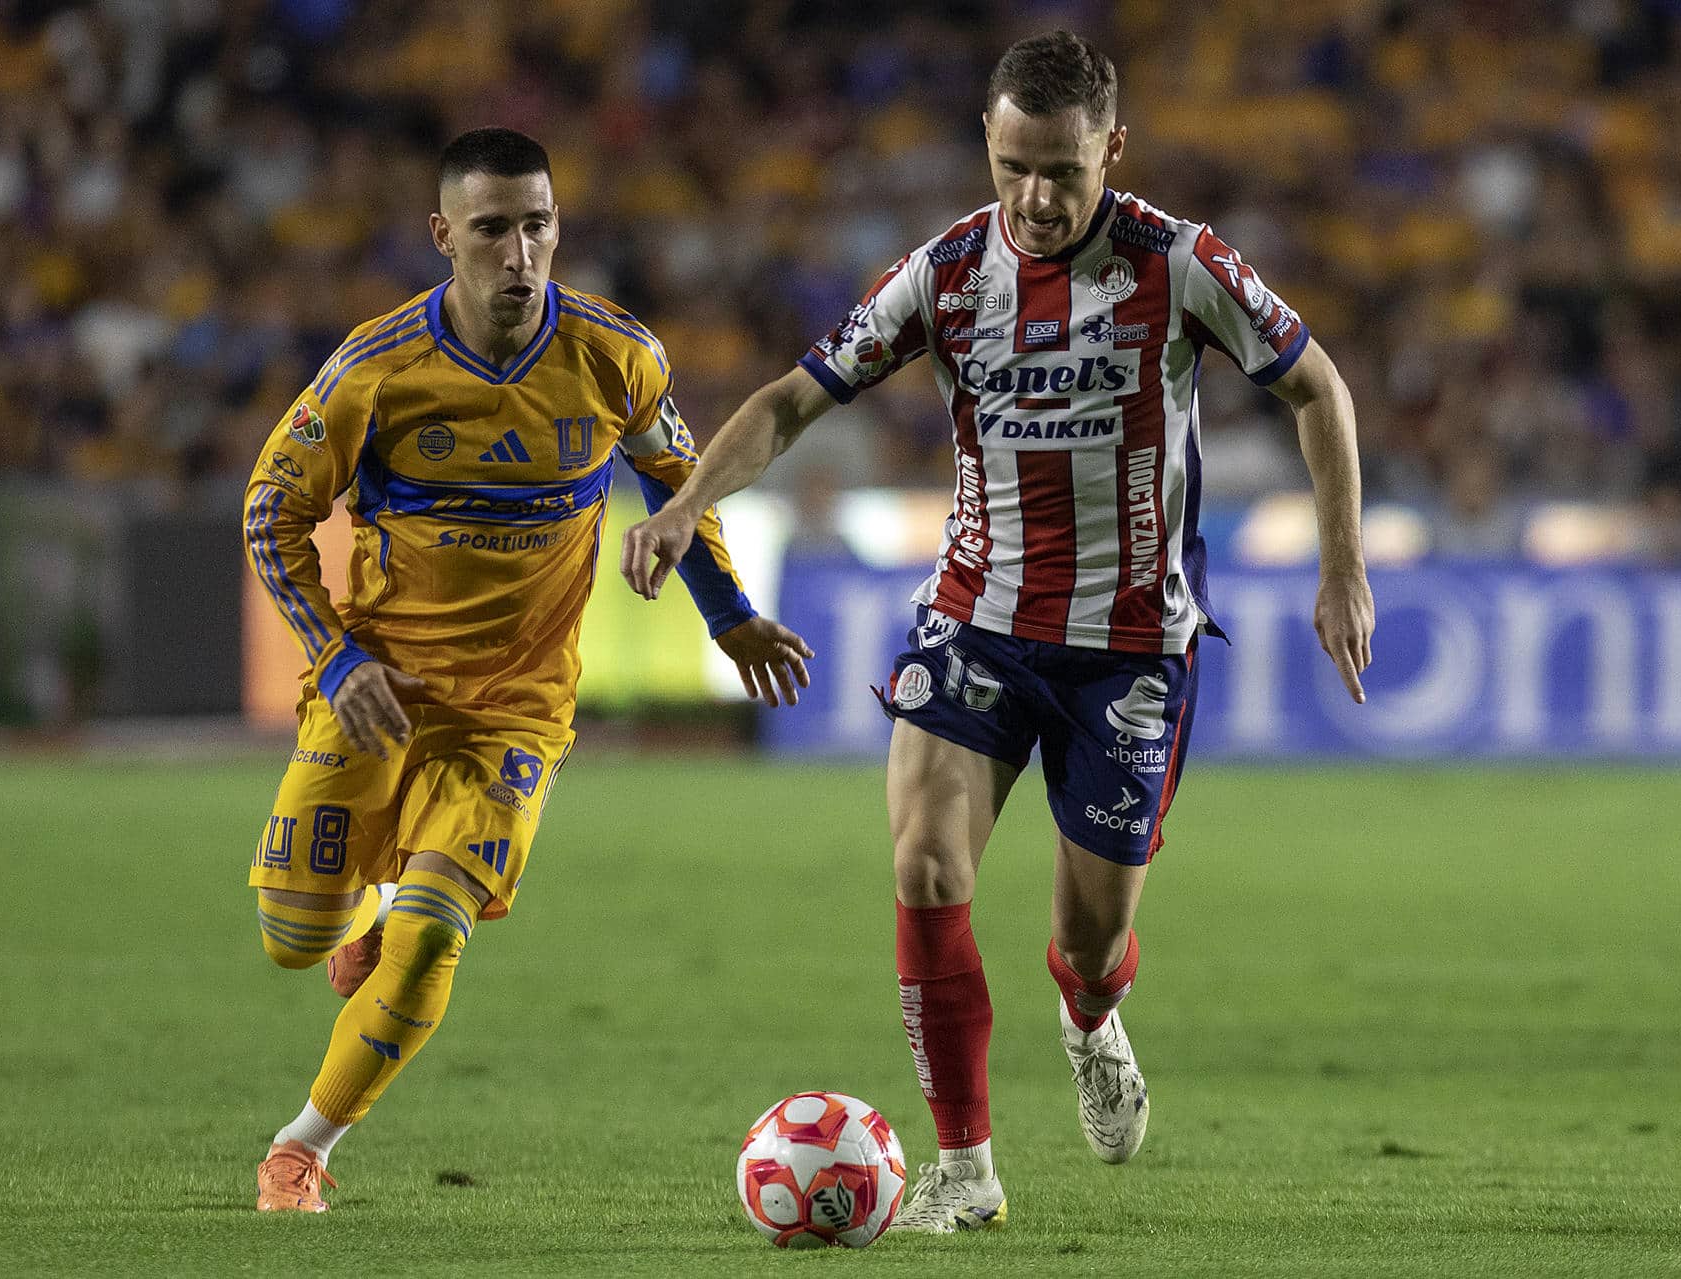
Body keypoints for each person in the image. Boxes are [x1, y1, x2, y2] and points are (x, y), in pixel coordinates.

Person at [623, 31, 1374, 1233]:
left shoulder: (1179, 264)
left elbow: (1316, 386)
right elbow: (789, 400)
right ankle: (965, 1172)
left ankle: (1087, 1017)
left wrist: (1343, 563)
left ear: (1111, 151)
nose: (1035, 196)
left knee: (1090, 942)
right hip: (974, 623)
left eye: (1063, 171)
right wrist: (686, 502)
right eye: (1014, 164)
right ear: (988, 141)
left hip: (1128, 650)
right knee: (925, 863)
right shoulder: (946, 271)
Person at [242, 127, 812, 1213]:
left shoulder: (617, 354)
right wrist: (338, 651)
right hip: (378, 695)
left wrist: (731, 614)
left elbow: (676, 482)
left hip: (518, 710)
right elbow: (271, 513)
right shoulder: (374, 369)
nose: (519, 253)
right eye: (493, 228)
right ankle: (349, 922)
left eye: (538, 226)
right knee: (293, 936)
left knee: (432, 933)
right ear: (442, 234)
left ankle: (303, 1148)